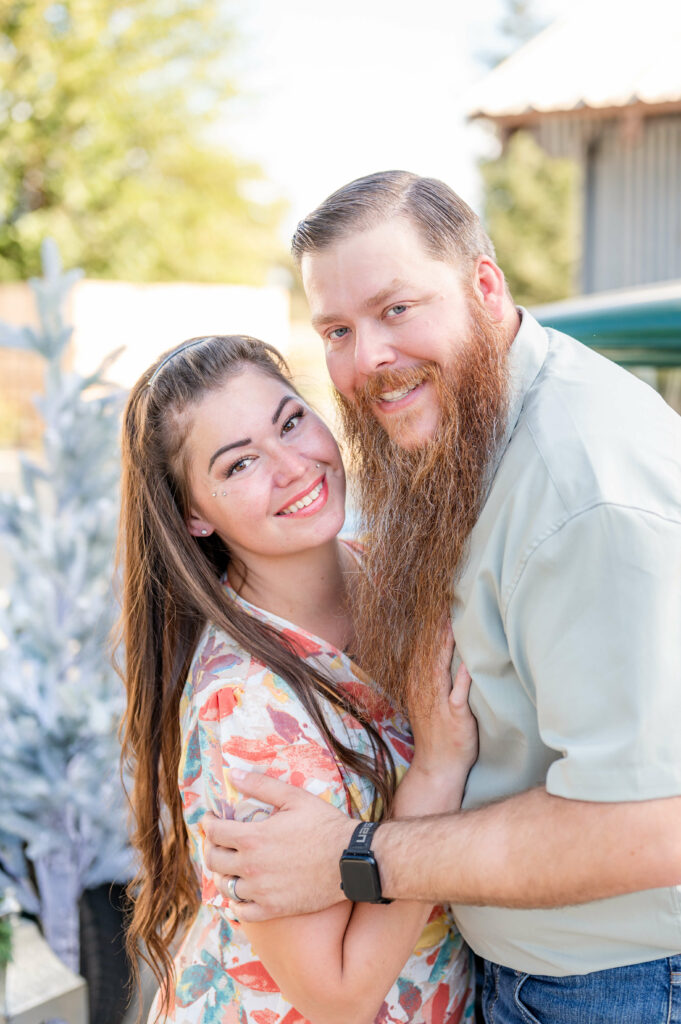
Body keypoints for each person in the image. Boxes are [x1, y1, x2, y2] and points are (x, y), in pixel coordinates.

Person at [203, 172, 681, 1024]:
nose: (369, 360)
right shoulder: (468, 420)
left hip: (616, 990)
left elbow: (653, 827)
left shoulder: (583, 496)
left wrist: (354, 857)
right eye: (338, 330)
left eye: (396, 309)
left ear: (485, 287)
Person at [117, 333, 479, 1024]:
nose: (291, 466)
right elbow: (334, 994)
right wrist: (434, 768)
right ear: (195, 514)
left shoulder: (398, 574)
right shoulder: (246, 707)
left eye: (290, 422)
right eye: (241, 462)